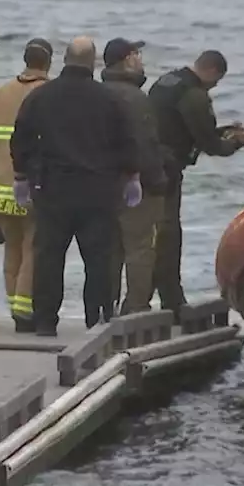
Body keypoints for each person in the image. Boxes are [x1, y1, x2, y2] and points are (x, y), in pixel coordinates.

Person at [11, 35, 140, 336]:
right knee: (97, 259)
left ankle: (45, 321)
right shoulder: (109, 99)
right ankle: (97, 318)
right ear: (92, 63)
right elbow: (127, 142)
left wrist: (22, 176)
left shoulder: (41, 97)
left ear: (65, 60)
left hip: (52, 189)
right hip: (98, 191)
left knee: (49, 257)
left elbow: (21, 139)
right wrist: (131, 176)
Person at [148, 51, 244, 318]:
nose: (214, 86)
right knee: (169, 235)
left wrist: (222, 130)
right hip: (167, 171)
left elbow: (184, 128)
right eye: (217, 81)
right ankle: (170, 300)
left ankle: (147, 295)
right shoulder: (195, 96)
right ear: (211, 71)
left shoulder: (166, 81)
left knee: (152, 234)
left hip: (149, 164)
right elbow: (211, 145)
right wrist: (241, 140)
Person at [0, 38, 52, 331]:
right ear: (47, 63)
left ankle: (15, 305)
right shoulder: (48, 94)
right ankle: (25, 311)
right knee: (32, 248)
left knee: (12, 248)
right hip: (30, 185)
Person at [100, 38, 168, 315]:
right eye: (137, 54)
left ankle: (106, 305)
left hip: (102, 185)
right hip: (136, 186)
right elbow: (145, 144)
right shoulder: (136, 98)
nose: (140, 59)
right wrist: (158, 181)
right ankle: (136, 307)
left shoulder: (98, 93)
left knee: (109, 250)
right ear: (127, 59)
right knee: (140, 248)